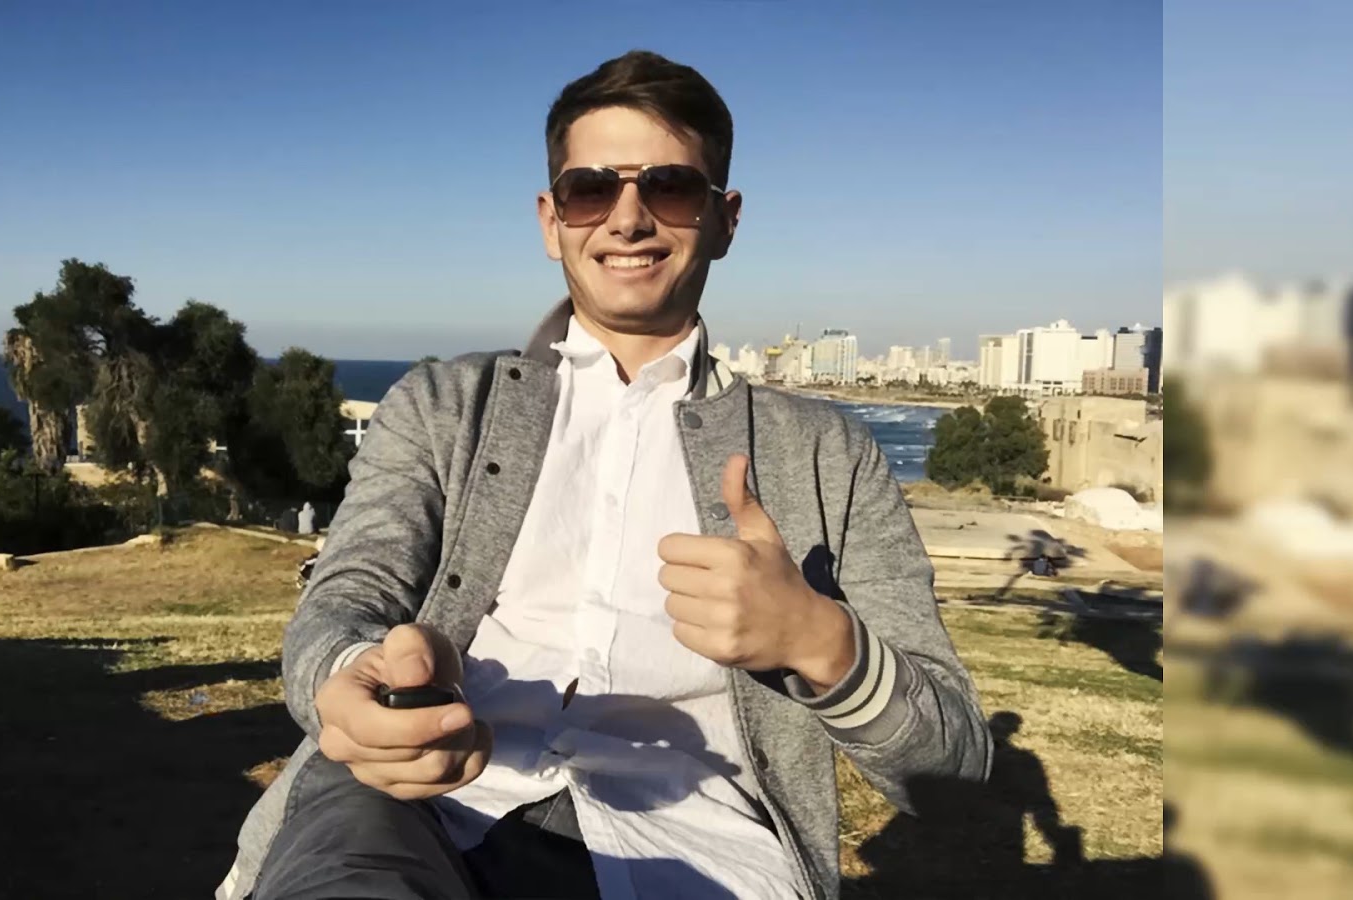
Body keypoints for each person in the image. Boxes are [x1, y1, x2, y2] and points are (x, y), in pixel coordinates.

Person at [217, 49, 992, 900]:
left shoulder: (825, 453)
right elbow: (345, 597)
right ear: (552, 220)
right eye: (591, 189)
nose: (628, 220)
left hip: (699, 852)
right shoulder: (444, 405)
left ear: (724, 219)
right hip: (414, 810)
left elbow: (954, 770)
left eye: (670, 187)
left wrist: (818, 640)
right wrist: (355, 676)